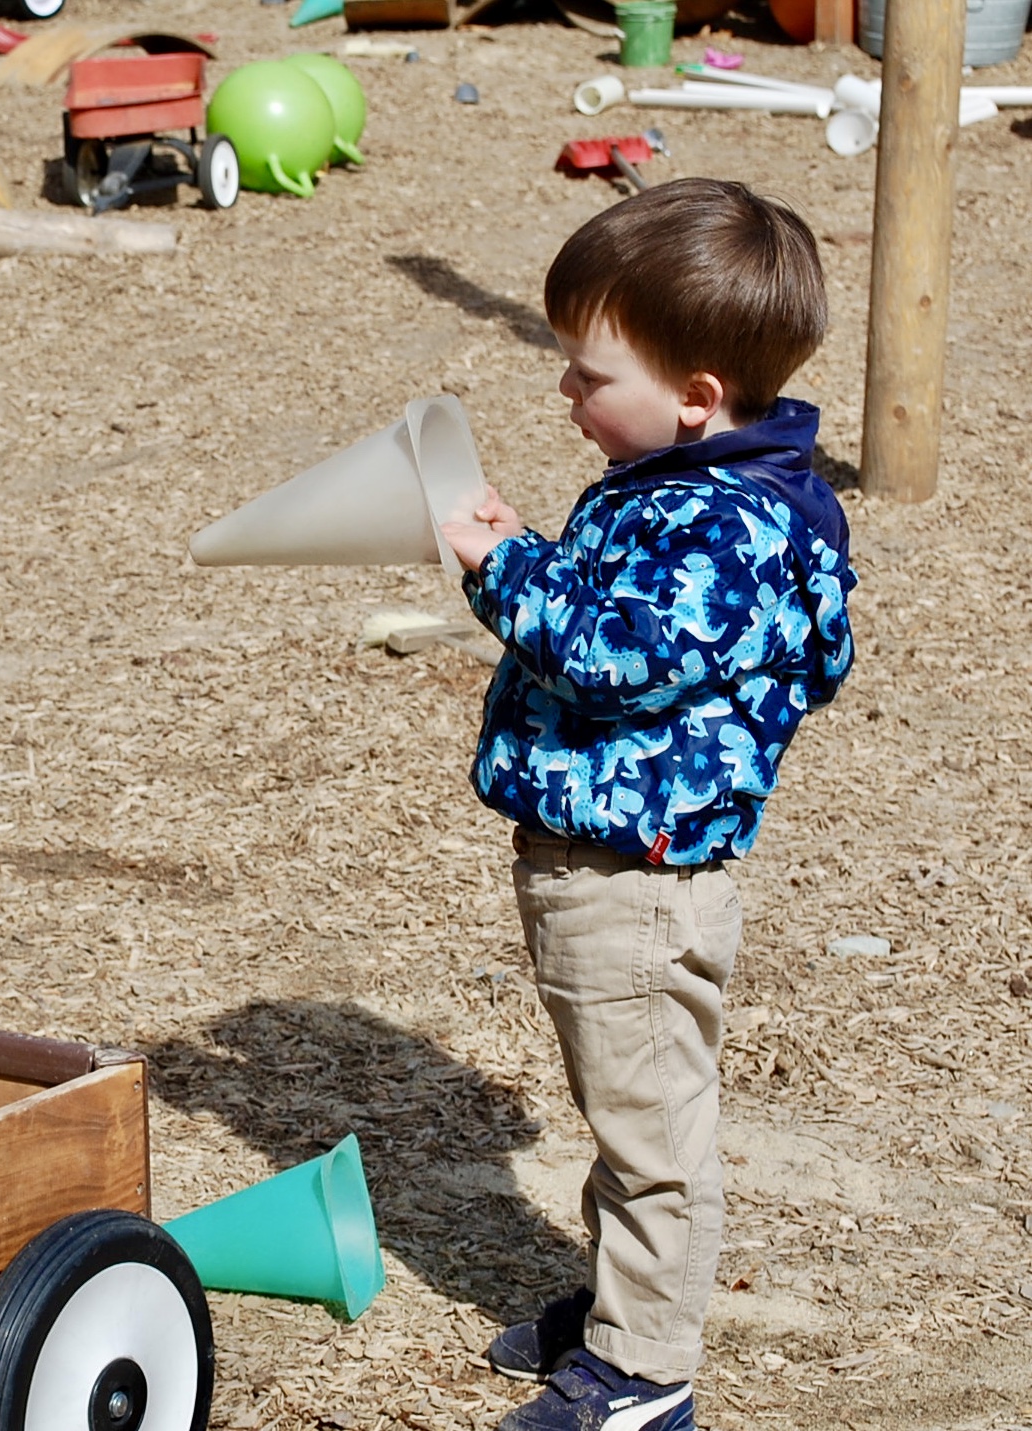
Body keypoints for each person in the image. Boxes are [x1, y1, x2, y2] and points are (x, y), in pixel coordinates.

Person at [440, 179, 855, 1431]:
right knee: (626, 1104)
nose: (565, 394)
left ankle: (643, 1373)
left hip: (631, 879)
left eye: (585, 375)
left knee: (649, 1128)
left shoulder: (715, 517)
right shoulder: (707, 487)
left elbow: (616, 659)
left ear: (695, 397)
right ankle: (628, 1301)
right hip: (618, 865)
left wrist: (502, 568)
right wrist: (549, 554)